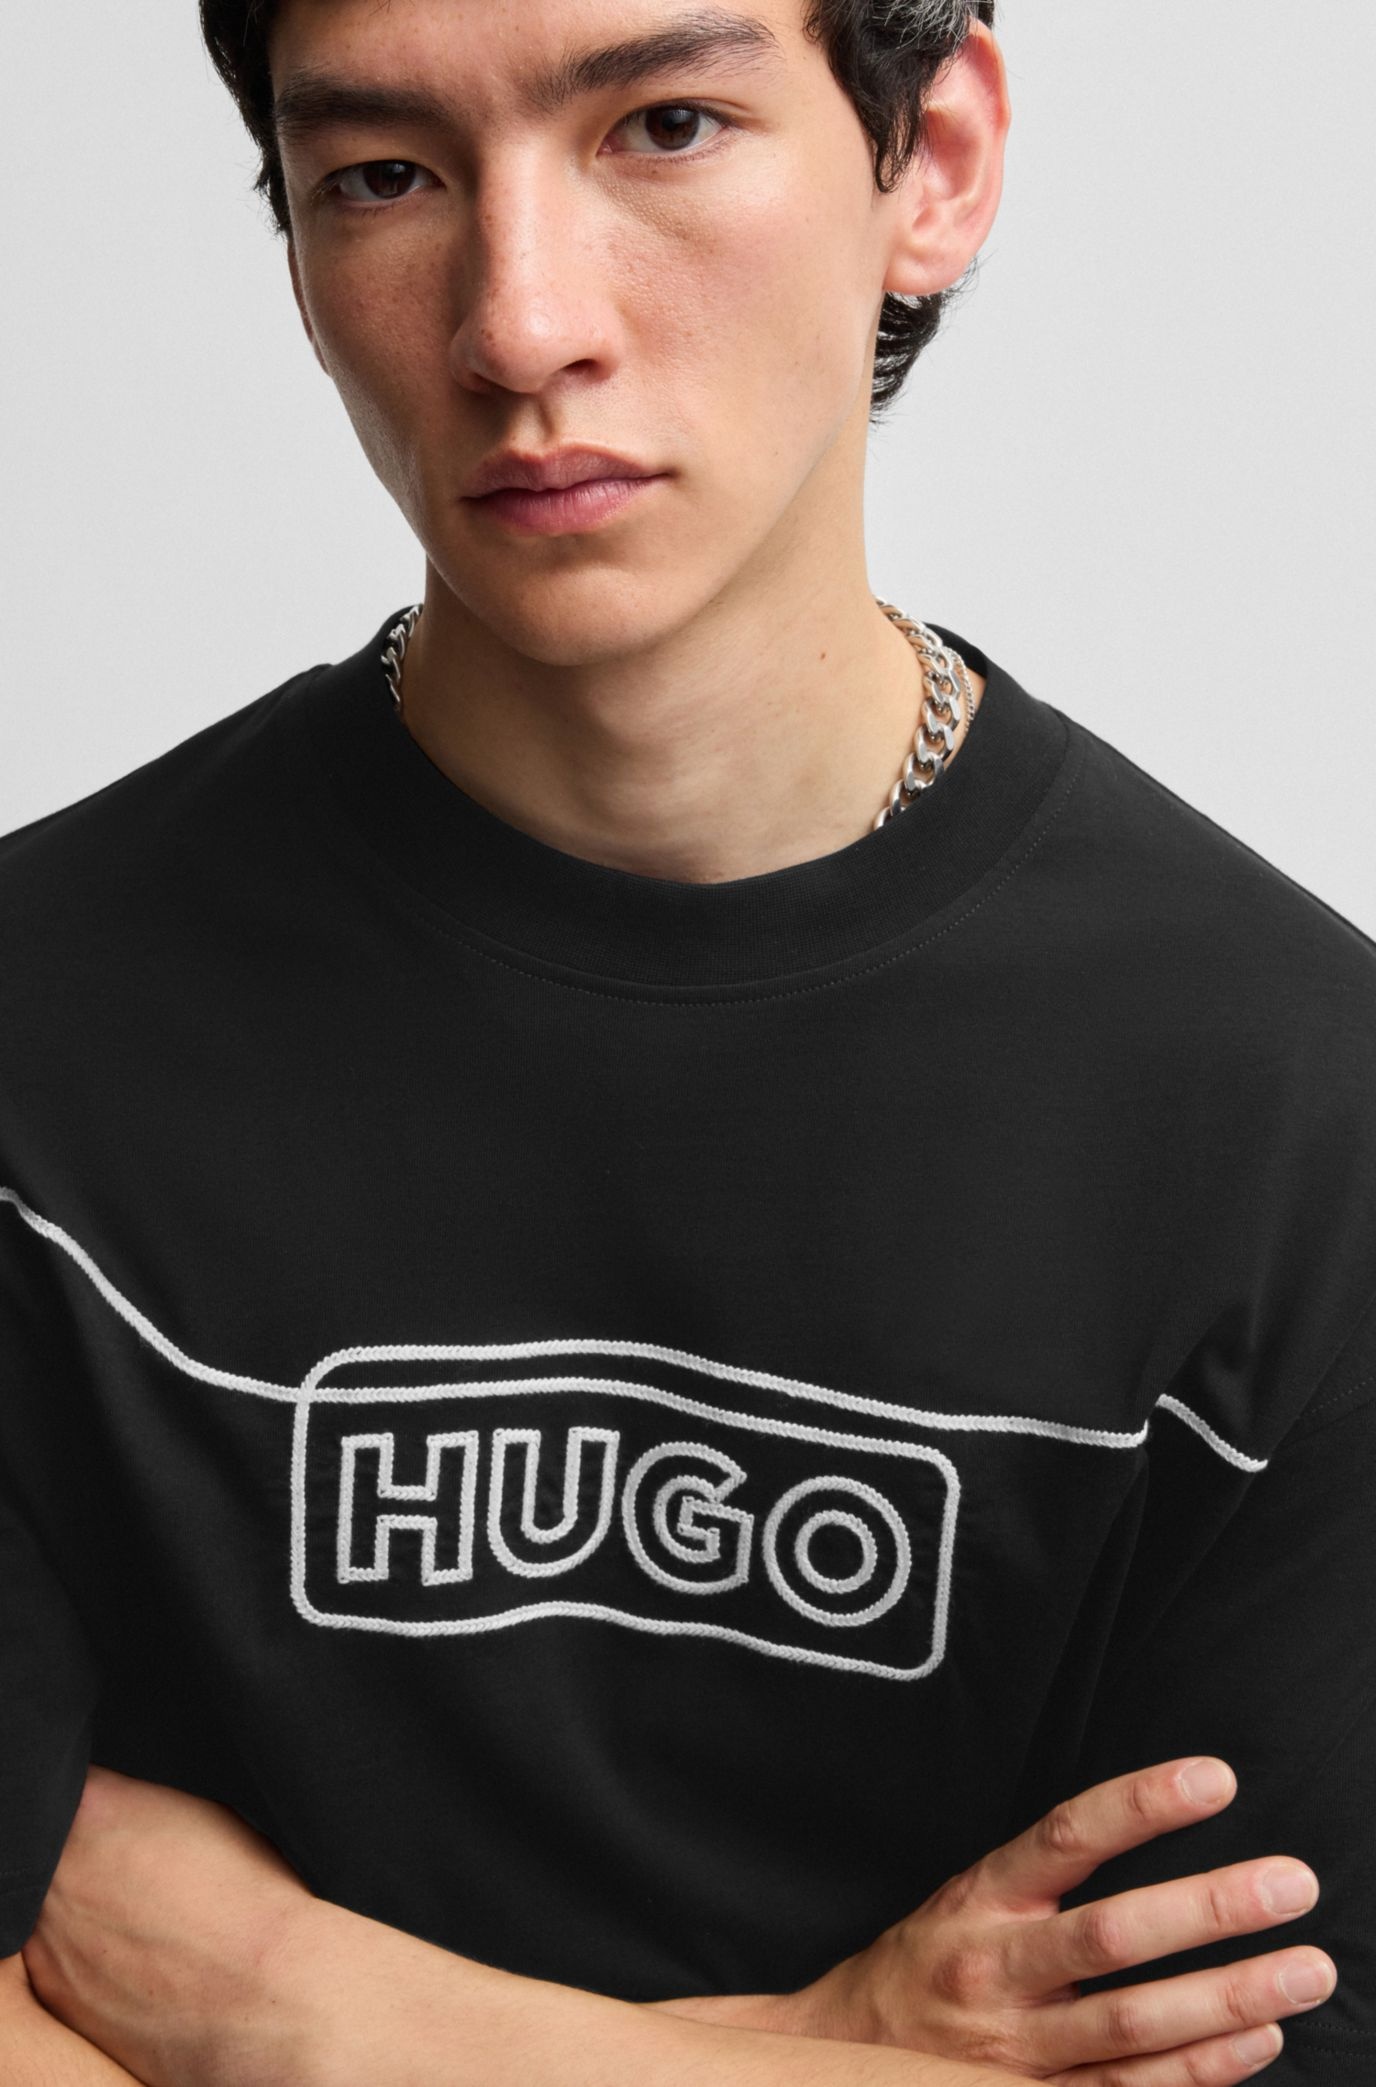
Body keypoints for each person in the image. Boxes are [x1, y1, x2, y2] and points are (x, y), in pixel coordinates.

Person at [1, 0, 1372, 2081]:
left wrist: (281, 2006)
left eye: (662, 127)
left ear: (932, 165)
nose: (520, 325)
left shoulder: (1302, 1132)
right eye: (385, 175)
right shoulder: (37, 1033)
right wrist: (820, 2059)